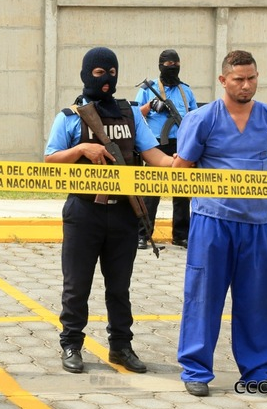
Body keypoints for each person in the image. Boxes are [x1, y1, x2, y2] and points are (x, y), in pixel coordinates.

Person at [44, 47, 174, 375]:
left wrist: (180, 164)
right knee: (77, 285)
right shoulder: (71, 116)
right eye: (99, 73)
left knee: (119, 286)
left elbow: (152, 153)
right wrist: (80, 149)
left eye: (111, 73)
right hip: (84, 211)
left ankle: (121, 347)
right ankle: (71, 344)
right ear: (87, 74)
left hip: (124, 214)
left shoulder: (130, 113)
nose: (106, 79)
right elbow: (49, 158)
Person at [173, 50, 267, 397]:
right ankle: (196, 370)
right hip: (212, 223)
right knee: (202, 297)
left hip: (256, 224)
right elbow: (181, 169)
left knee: (259, 300)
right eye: (238, 79)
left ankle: (259, 371)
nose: (246, 85)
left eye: (251, 78)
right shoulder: (202, 118)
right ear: (223, 80)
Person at [135, 49, 198, 249]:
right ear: (161, 66)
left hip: (181, 144)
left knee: (181, 193)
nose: (172, 68)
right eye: (168, 65)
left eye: (175, 64)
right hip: (155, 144)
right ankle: (143, 234)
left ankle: (181, 235)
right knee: (151, 191)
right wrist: (151, 105)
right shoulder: (149, 88)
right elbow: (136, 115)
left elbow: (196, 118)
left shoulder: (185, 91)